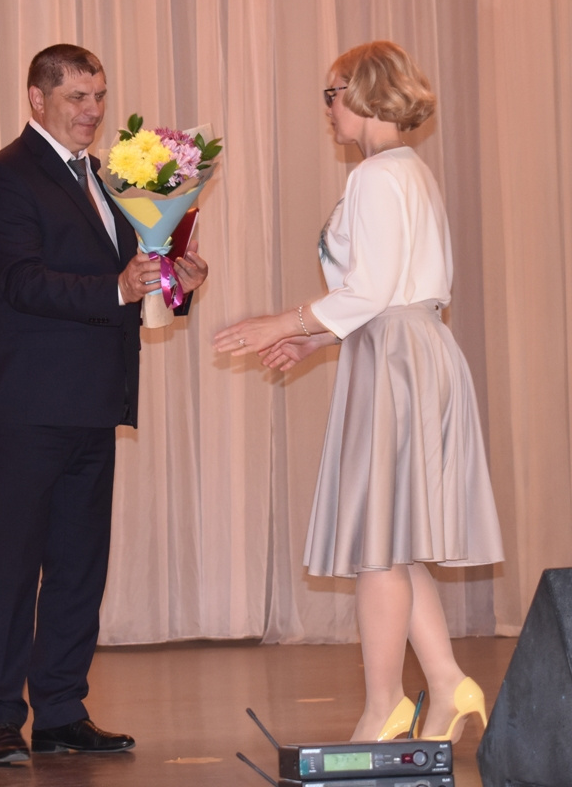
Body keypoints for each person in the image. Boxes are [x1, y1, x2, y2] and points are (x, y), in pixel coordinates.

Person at [214, 41, 503, 743]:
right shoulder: (407, 172)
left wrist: (284, 321)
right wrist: (315, 339)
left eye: (332, 92)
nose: (328, 108)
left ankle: (383, 707)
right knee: (393, 539)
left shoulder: (378, 175)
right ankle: (447, 684)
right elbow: (390, 293)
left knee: (379, 548)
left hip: (397, 360)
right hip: (408, 349)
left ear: (364, 91)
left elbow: (371, 290)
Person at [0, 43, 208, 765]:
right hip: (24, 403)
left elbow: (131, 279)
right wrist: (116, 288)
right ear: (37, 99)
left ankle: (62, 711)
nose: (94, 110)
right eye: (78, 97)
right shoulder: (3, 176)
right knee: (12, 564)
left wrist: (177, 283)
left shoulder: (105, 178)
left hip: (94, 399)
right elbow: (20, 281)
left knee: (78, 565)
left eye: (99, 95)